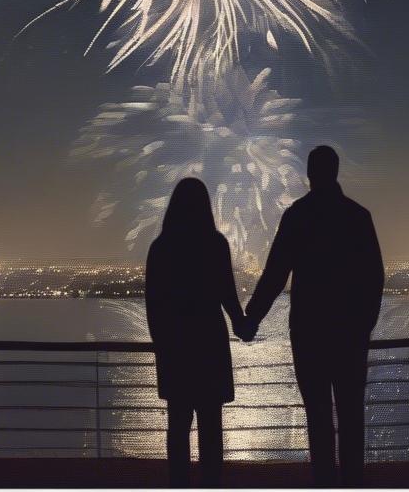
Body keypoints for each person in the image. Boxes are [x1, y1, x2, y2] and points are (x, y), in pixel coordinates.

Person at [244, 145, 385, 487]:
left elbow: (276, 274)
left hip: (309, 336)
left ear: (309, 175)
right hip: (350, 337)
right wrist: (363, 326)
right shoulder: (358, 216)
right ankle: (353, 482)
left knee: (318, 417)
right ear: (336, 173)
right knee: (352, 416)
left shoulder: (298, 216)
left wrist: (251, 318)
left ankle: (324, 482)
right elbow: (374, 278)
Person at [145, 177, 250, 487]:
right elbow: (229, 296)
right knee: (211, 429)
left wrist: (163, 345)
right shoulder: (215, 244)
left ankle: (178, 484)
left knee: (177, 428)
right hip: (209, 347)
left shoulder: (161, 248)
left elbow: (154, 305)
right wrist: (244, 324)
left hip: (175, 348)